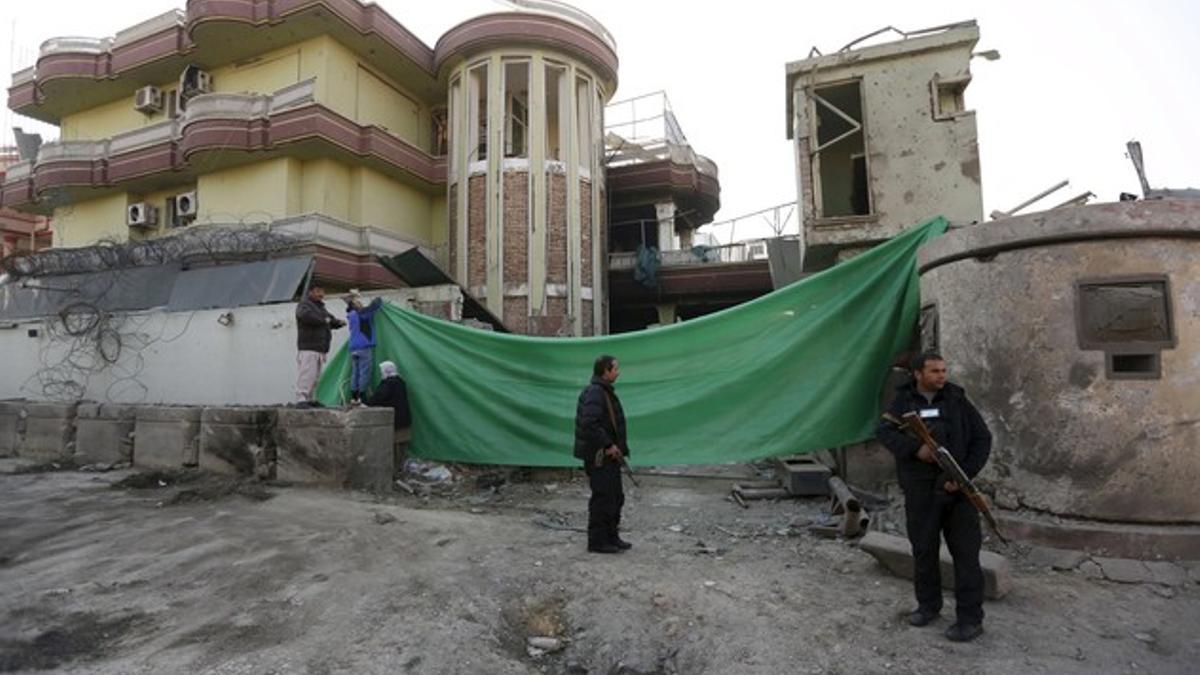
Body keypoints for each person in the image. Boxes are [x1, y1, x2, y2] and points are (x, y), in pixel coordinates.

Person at [877, 352, 993, 643]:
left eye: (943, 370)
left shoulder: (957, 399)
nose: (941, 376)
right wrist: (915, 450)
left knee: (966, 556)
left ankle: (970, 620)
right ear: (917, 374)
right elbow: (884, 432)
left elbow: (983, 438)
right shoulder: (902, 401)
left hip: (957, 491)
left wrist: (963, 475)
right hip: (921, 493)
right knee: (924, 551)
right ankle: (928, 606)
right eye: (934, 371)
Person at [573, 355, 631, 554]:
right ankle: (598, 541)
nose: (618, 372)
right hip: (600, 457)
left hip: (609, 457)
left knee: (615, 497)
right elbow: (589, 424)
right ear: (605, 371)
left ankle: (612, 537)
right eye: (615, 368)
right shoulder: (595, 393)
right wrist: (607, 445)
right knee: (603, 499)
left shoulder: (603, 392)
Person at [295, 284, 345, 405]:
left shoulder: (321, 308)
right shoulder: (304, 305)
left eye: (322, 291)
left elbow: (330, 320)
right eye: (317, 291)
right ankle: (301, 398)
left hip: (319, 348)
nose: (321, 294)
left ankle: (310, 399)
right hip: (309, 347)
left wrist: (338, 322)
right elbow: (305, 316)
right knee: (307, 374)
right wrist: (325, 320)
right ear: (310, 292)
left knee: (315, 376)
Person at [367, 361, 412, 469]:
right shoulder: (400, 381)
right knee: (401, 449)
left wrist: (366, 404)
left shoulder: (389, 383)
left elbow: (379, 397)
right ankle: (399, 469)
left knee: (394, 449)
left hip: (396, 421)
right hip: (404, 420)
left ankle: (394, 471)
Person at [345, 290, 384, 404]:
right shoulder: (362, 314)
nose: (361, 304)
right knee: (364, 372)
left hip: (353, 348)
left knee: (355, 373)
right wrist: (377, 298)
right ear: (356, 306)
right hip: (364, 346)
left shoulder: (351, 315)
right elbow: (375, 305)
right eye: (359, 303)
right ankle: (362, 396)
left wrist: (354, 298)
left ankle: (354, 397)